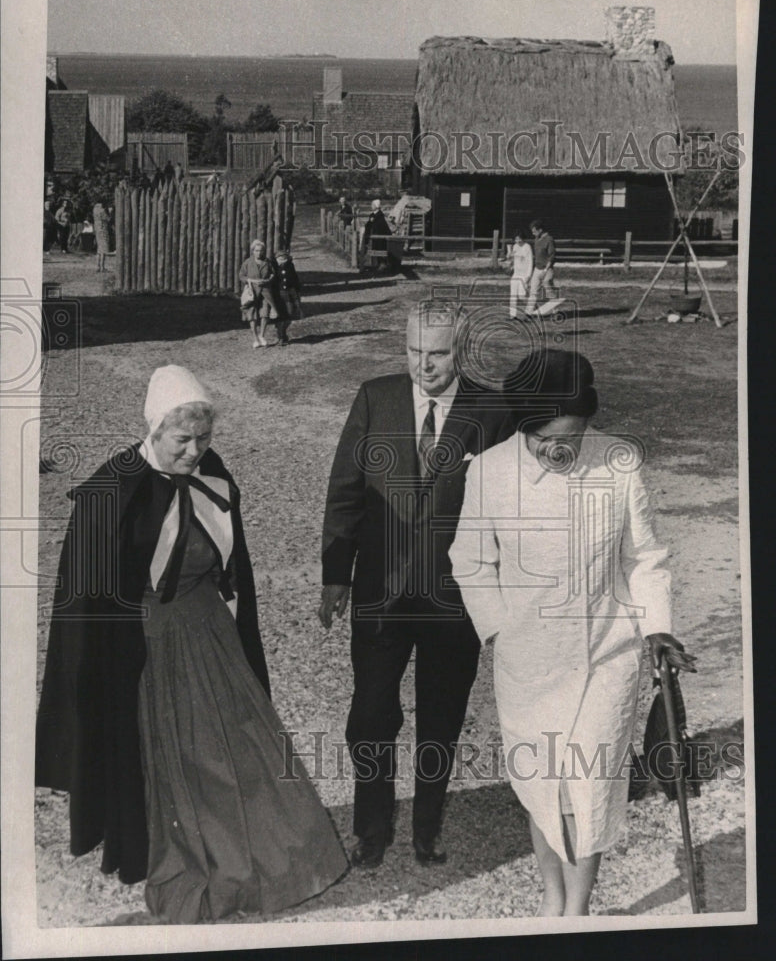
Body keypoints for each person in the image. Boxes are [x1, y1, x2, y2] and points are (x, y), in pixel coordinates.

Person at [35, 365, 347, 924]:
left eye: (204, 439)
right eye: (182, 440)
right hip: (148, 644)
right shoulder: (113, 489)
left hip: (211, 634)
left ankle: (266, 856)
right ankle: (196, 857)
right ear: (154, 431)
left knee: (246, 745)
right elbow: (83, 603)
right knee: (185, 758)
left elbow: (233, 563)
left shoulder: (212, 474)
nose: (194, 451)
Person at [449, 349, 696, 916]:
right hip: (528, 661)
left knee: (589, 788)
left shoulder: (618, 462)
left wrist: (657, 627)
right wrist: (499, 629)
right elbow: (470, 562)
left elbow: (644, 558)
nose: (560, 450)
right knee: (546, 787)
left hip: (608, 655)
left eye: (574, 436)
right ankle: (552, 897)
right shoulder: (489, 471)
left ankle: (577, 910)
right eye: (545, 441)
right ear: (523, 428)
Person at [319, 301, 516, 869]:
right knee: (371, 716)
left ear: (461, 352)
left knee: (442, 717)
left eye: (438, 353)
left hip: (456, 600)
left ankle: (427, 829)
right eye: (413, 351)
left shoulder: (491, 410)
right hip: (381, 594)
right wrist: (336, 577)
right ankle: (371, 830)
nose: (423, 365)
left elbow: (505, 509)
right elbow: (346, 490)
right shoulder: (374, 397)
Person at [238, 239, 279, 349]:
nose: (259, 253)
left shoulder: (267, 262)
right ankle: (255, 338)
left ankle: (262, 336)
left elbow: (273, 274)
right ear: (252, 251)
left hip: (265, 291)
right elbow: (241, 276)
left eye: (261, 251)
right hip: (252, 292)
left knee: (265, 313)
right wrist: (251, 281)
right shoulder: (247, 262)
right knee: (252, 315)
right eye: (256, 250)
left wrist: (268, 280)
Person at [273, 248, 304, 347]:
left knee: (291, 313)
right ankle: (281, 337)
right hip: (280, 293)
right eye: (279, 257)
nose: (282, 259)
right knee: (282, 315)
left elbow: (295, 278)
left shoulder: (290, 266)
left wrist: (297, 292)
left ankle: (281, 331)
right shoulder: (273, 267)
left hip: (291, 292)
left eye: (284, 257)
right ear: (276, 258)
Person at [528, 219, 556, 313]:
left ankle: (555, 311)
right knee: (533, 290)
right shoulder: (536, 239)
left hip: (546, 269)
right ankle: (529, 312)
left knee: (548, 289)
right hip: (537, 268)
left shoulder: (549, 239)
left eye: (534, 231)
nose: (533, 234)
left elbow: (551, 257)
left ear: (540, 230)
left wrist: (545, 271)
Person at [504, 231, 534, 318]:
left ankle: (530, 309)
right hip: (516, 274)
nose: (518, 241)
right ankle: (512, 315)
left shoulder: (527, 247)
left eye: (519, 238)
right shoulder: (515, 246)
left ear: (523, 238)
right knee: (513, 295)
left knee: (522, 296)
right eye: (516, 239)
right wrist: (510, 261)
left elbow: (530, 262)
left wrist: (528, 275)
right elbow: (513, 260)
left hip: (524, 275)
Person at [93, 202, 111, 272]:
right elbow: (108, 219)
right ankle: (102, 267)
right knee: (103, 249)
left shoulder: (94, 210)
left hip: (97, 230)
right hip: (103, 230)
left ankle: (97, 266)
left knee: (99, 249)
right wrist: (110, 212)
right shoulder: (102, 210)